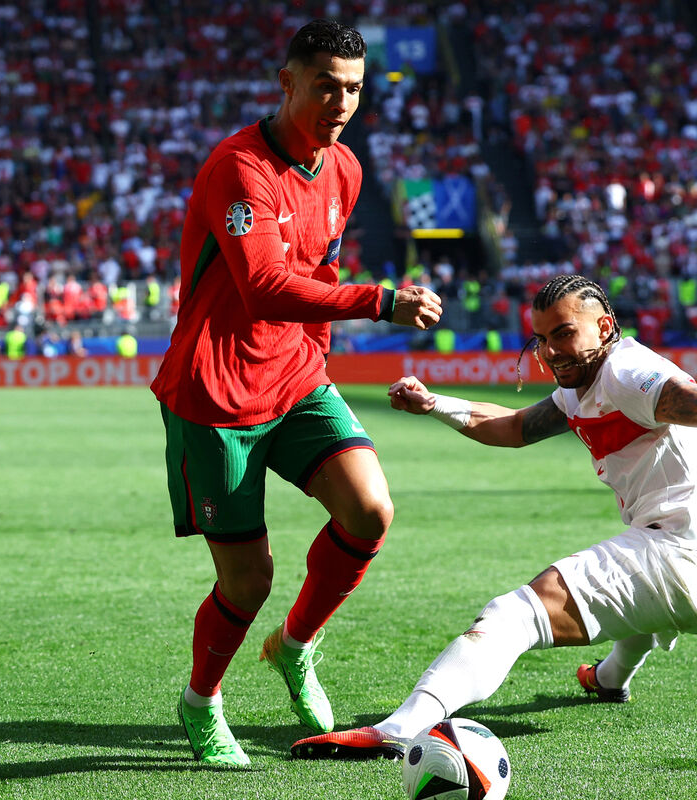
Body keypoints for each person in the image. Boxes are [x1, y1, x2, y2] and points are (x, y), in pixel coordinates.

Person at [290, 274, 697, 760]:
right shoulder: (582, 386)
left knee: (512, 615)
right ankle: (609, 679)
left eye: (564, 333)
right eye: (541, 339)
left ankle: (397, 730)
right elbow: (513, 427)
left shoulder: (627, 372)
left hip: (688, 559)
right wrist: (437, 404)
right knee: (633, 571)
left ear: (604, 327)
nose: (551, 351)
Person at [149, 19, 443, 768]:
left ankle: (295, 645)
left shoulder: (344, 169)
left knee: (370, 509)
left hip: (297, 378)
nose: (341, 102)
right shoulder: (239, 168)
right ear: (287, 83)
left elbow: (319, 271)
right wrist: (380, 302)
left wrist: (318, 361)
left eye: (353, 89)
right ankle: (201, 703)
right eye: (325, 86)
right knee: (248, 580)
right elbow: (263, 286)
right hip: (217, 394)